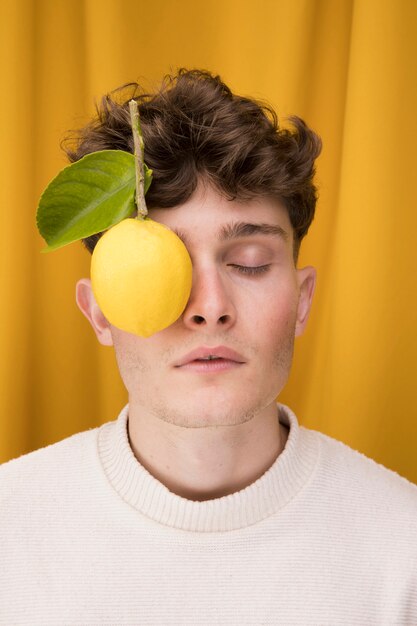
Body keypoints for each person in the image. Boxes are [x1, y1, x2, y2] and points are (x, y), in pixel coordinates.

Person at [1, 69, 416, 625]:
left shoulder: (402, 549)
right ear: (99, 310)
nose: (209, 305)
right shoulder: (11, 532)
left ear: (301, 299)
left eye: (249, 263)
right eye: (163, 266)